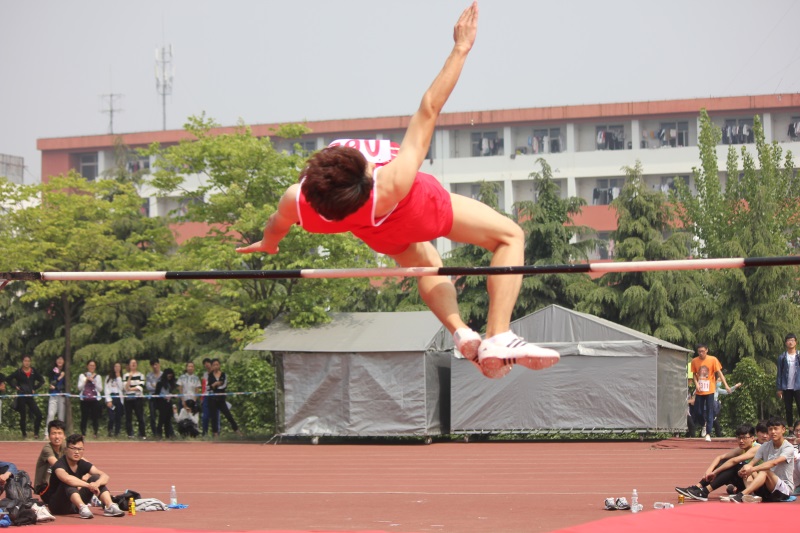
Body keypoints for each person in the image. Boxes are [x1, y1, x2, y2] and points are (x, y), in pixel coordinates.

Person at [235, 2, 559, 380]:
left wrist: (269, 245)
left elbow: (276, 224)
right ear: (367, 175)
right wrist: (461, 48)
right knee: (509, 236)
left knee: (426, 264)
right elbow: (430, 107)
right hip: (421, 208)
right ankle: (498, 334)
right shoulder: (393, 181)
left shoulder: (300, 201)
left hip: (377, 232)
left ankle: (461, 332)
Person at [44, 434, 125, 518]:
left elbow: (105, 476)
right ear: (66, 450)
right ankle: (82, 507)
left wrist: (97, 483)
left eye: (80, 449)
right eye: (73, 448)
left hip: (73, 505)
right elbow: (67, 479)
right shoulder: (59, 464)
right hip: (58, 506)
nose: (77, 452)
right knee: (69, 482)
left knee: (96, 478)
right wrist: (89, 485)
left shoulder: (82, 463)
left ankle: (110, 506)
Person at [675, 424, 760, 501]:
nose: (741, 441)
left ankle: (704, 492)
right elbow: (720, 457)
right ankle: (697, 487)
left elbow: (734, 461)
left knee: (736, 465)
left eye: (744, 438)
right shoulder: (742, 449)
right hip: (745, 480)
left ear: (752, 438)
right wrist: (709, 470)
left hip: (757, 483)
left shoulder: (757, 448)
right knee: (724, 462)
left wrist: (715, 472)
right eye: (739, 438)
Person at [730, 416, 795, 502]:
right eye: (770, 429)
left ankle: (742, 494)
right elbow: (751, 463)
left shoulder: (788, 447)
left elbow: (774, 463)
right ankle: (751, 495)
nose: (773, 432)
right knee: (746, 468)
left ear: (783, 430)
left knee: (765, 470)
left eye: (776, 429)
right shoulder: (765, 446)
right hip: (768, 487)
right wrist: (744, 470)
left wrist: (752, 469)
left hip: (784, 491)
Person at [691, 344, 731, 442]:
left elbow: (719, 373)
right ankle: (703, 424)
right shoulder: (694, 361)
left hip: (710, 390)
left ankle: (708, 433)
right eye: (699, 351)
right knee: (698, 411)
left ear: (707, 350)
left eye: (702, 351)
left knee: (710, 411)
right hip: (700, 390)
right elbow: (694, 374)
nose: (701, 353)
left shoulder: (713, 359)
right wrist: (696, 384)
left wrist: (726, 385)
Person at [6, 355, 45, 439]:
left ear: (30, 362)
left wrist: (34, 388)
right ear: (22, 362)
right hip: (21, 396)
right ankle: (24, 434)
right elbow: (8, 379)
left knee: (39, 415)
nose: (27, 363)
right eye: (25, 361)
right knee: (23, 416)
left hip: (30, 396)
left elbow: (42, 380)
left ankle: (36, 433)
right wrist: (15, 386)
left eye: (28, 361)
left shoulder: (33, 371)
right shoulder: (18, 372)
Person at [207, 358, 241, 437]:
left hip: (221, 399)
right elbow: (209, 387)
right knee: (214, 417)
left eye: (217, 364)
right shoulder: (210, 375)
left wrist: (215, 385)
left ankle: (237, 431)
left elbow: (223, 385)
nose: (216, 366)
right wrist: (216, 384)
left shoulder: (223, 374)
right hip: (212, 399)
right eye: (214, 365)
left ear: (219, 365)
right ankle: (215, 434)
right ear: (212, 366)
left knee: (228, 415)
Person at [33, 419, 66, 497]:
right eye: (54, 433)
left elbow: (81, 461)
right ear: (49, 436)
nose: (57, 437)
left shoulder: (65, 446)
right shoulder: (47, 449)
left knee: (91, 477)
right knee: (70, 483)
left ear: (64, 436)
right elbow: (57, 465)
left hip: (58, 484)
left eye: (59, 433)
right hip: (44, 488)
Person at [776, 333, 800, 428]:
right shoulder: (782, 357)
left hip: (798, 386)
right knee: (788, 409)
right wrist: (779, 388)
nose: (790, 342)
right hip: (786, 387)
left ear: (796, 342)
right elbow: (779, 373)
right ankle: (790, 429)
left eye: (792, 340)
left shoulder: (799, 355)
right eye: (789, 340)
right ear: (786, 343)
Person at [77, 360, 103, 439]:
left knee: (95, 417)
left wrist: (93, 381)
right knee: (84, 416)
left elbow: (100, 389)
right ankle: (83, 433)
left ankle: (95, 433)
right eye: (90, 365)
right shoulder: (82, 376)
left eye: (93, 365)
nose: (92, 367)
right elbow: (79, 388)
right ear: (87, 366)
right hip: (84, 399)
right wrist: (86, 380)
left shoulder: (98, 377)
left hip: (95, 399)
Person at [123, 358, 146, 439]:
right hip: (128, 398)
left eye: (135, 363)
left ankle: (142, 434)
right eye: (132, 363)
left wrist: (130, 389)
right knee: (128, 417)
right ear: (129, 365)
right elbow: (125, 388)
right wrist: (130, 377)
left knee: (140, 416)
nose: (133, 364)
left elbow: (140, 387)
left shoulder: (141, 375)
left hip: (138, 398)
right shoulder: (125, 375)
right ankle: (130, 434)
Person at [155, 368, 178, 439]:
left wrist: (172, 396)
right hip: (162, 403)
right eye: (168, 375)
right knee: (161, 419)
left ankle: (167, 435)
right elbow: (157, 394)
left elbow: (171, 392)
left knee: (168, 419)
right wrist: (163, 396)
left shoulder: (170, 383)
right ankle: (159, 434)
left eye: (171, 375)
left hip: (169, 402)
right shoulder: (160, 383)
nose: (170, 377)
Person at [104, 362, 124, 437]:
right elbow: (106, 389)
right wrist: (108, 400)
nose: (117, 368)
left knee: (118, 416)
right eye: (116, 366)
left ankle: (117, 432)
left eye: (119, 366)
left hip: (119, 398)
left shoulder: (121, 377)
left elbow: (122, 388)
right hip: (111, 398)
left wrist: (119, 377)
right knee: (111, 416)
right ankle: (110, 430)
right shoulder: (108, 377)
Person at [45, 356, 67, 425]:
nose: (60, 361)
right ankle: (48, 430)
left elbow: (66, 386)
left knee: (61, 416)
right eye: (58, 359)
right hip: (53, 395)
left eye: (61, 359)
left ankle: (60, 430)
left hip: (62, 395)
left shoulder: (66, 371)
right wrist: (59, 378)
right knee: (51, 414)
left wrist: (56, 387)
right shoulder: (52, 371)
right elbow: (52, 383)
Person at [145, 359, 162, 438]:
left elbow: (163, 387)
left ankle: (161, 432)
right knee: (152, 416)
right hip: (152, 397)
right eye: (153, 365)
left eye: (156, 364)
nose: (155, 366)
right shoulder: (149, 375)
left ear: (159, 364)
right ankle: (154, 433)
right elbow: (148, 387)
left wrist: (155, 386)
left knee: (162, 416)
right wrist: (157, 387)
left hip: (161, 397)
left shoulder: (163, 375)